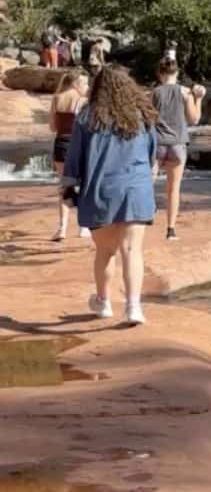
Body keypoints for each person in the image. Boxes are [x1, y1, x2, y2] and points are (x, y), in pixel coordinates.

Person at [61, 66, 158, 326]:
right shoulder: (140, 116)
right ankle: (133, 307)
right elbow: (151, 154)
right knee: (132, 249)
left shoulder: (86, 117)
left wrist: (69, 188)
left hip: (99, 190)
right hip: (135, 190)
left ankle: (103, 302)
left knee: (105, 251)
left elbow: (74, 159)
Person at [152, 58, 205, 241]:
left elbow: (146, 120)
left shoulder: (154, 93)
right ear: (177, 73)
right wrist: (198, 99)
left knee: (146, 183)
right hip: (177, 144)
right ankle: (170, 230)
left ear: (160, 73)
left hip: (157, 143)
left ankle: (145, 214)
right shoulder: (185, 92)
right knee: (173, 189)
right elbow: (194, 119)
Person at [49, 68, 90, 241]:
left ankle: (62, 228)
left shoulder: (57, 98)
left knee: (64, 187)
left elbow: (52, 127)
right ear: (76, 83)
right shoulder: (82, 101)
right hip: (77, 145)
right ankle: (83, 227)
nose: (87, 86)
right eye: (84, 83)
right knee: (83, 184)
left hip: (60, 144)